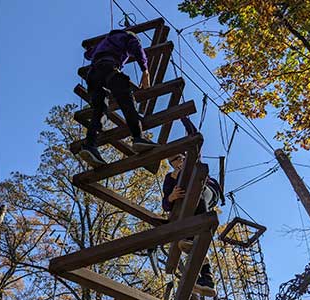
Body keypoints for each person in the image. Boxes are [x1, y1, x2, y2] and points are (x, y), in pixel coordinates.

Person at [80, 29, 159, 167]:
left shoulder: (104, 43)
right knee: (126, 100)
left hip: (93, 76)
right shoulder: (128, 37)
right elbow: (136, 47)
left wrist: (92, 50)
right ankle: (137, 137)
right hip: (109, 68)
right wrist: (145, 70)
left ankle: (90, 145)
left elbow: (88, 55)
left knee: (100, 110)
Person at [162, 153, 224, 298]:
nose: (180, 160)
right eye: (176, 159)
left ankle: (191, 238)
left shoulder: (194, 164)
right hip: (188, 211)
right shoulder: (170, 177)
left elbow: (196, 147)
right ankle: (207, 278)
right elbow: (165, 203)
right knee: (196, 241)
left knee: (198, 192)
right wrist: (172, 196)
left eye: (182, 157)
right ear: (171, 164)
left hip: (206, 190)